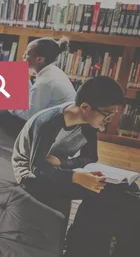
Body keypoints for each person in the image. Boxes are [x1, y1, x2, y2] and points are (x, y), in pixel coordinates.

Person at [12, 76, 137, 257]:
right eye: (107, 114)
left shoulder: (89, 122)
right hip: (30, 176)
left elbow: (90, 157)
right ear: (85, 107)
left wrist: (63, 163)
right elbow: (37, 170)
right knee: (103, 192)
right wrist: (76, 176)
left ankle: (110, 246)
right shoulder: (48, 123)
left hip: (57, 169)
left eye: (113, 115)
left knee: (129, 189)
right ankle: (81, 247)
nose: (109, 120)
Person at [0, 36, 75, 137]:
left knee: (3, 113)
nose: (24, 55)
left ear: (39, 59)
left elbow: (30, 116)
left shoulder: (44, 83)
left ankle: (10, 143)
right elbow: (37, 97)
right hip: (59, 120)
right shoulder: (53, 70)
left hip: (52, 130)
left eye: (27, 54)